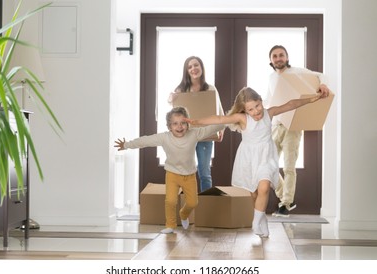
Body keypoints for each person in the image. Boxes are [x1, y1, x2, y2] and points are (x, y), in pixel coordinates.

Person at [185, 87, 328, 237]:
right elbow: (219, 119)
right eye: (250, 109)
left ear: (261, 101)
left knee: (264, 188)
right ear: (245, 111)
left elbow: (291, 104)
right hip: (248, 159)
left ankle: (255, 222)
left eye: (257, 106)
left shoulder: (269, 113)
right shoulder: (242, 118)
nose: (256, 111)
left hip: (267, 157)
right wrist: (196, 121)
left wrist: (313, 98)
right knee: (254, 194)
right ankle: (262, 220)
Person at [114, 106, 224, 234]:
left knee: (193, 203)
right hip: (172, 174)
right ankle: (170, 225)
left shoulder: (194, 134)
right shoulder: (164, 137)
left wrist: (230, 121)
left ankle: (183, 214)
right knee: (171, 201)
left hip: (189, 175)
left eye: (183, 123)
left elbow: (212, 128)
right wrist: (127, 145)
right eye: (175, 124)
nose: (179, 127)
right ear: (169, 126)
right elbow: (145, 141)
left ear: (188, 124)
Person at [267, 45, 331, 217]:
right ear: (271, 60)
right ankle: (286, 197)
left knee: (288, 166)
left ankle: (286, 205)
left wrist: (323, 84)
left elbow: (320, 75)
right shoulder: (272, 77)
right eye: (275, 56)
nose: (278, 58)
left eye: (281, 55)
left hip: (293, 126)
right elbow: (269, 100)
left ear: (287, 58)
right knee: (268, 164)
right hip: (276, 125)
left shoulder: (297, 72)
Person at [168, 56, 224, 192]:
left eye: (196, 65)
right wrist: (170, 99)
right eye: (190, 67)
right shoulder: (180, 90)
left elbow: (220, 111)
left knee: (204, 173)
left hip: (205, 137)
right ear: (186, 71)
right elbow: (174, 112)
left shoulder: (210, 89)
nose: (193, 69)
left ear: (201, 68)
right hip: (186, 137)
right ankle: (185, 204)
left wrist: (221, 130)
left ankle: (206, 206)